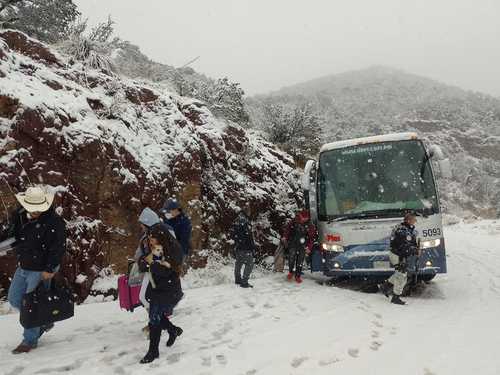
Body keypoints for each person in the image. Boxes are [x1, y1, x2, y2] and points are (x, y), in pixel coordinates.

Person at [3, 186, 66, 354]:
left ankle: (29, 340)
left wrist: (50, 268)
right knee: (14, 298)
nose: (36, 211)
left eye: (39, 207)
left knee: (32, 304)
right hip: (23, 265)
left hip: (41, 269)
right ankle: (43, 321)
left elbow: (58, 247)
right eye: (33, 208)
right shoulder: (20, 216)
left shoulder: (54, 221)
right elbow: (13, 234)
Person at [139, 224, 184, 364]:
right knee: (155, 316)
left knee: (154, 318)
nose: (150, 240)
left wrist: (151, 265)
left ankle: (153, 351)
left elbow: (167, 272)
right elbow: (142, 262)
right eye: (150, 238)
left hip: (169, 289)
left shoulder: (174, 250)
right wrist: (147, 263)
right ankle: (173, 330)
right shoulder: (152, 247)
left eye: (153, 238)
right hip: (156, 289)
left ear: (161, 237)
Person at [134, 207, 176, 334]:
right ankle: (159, 322)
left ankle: (157, 324)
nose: (141, 227)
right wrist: (140, 260)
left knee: (148, 298)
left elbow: (168, 253)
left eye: (142, 224)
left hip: (160, 271)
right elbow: (140, 252)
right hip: (150, 271)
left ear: (148, 223)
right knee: (145, 298)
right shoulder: (148, 235)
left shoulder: (164, 233)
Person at [380, 213, 419, 305]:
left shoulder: (406, 228)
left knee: (399, 273)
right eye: (414, 219)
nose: (415, 221)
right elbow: (404, 246)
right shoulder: (402, 231)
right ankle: (395, 297)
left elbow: (409, 243)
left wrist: (415, 248)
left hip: (399, 254)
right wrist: (415, 250)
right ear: (408, 220)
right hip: (397, 255)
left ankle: (385, 286)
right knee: (402, 276)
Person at [282, 210, 315, 284]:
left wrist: (309, 247)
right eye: (304, 217)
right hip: (293, 243)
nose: (305, 219)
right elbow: (287, 230)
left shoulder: (310, 225)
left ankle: (298, 276)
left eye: (306, 218)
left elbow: (311, 238)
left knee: (300, 261)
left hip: (303, 245)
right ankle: (291, 272)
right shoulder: (293, 222)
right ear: (300, 216)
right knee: (291, 258)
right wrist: (285, 237)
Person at [230, 205, 256, 289]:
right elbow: (248, 236)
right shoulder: (245, 221)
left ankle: (238, 279)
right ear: (246, 211)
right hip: (245, 247)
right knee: (250, 264)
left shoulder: (237, 219)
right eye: (249, 211)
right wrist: (252, 247)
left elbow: (233, 234)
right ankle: (244, 282)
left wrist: (237, 243)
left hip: (238, 246)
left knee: (239, 263)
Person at [161, 198, 192, 263]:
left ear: (175, 210)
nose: (166, 214)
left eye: (168, 212)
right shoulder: (168, 219)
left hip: (179, 252)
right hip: (167, 251)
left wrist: (177, 256)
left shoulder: (185, 223)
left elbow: (183, 241)